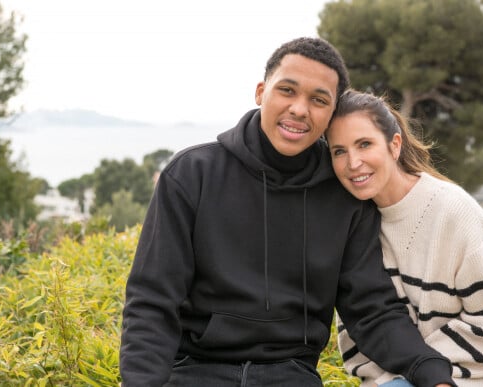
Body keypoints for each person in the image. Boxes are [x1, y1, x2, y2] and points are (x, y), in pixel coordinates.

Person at [120, 37, 455, 387]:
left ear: (330, 114)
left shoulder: (344, 195)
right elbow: (153, 301)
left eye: (318, 100)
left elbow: (371, 309)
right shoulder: (192, 174)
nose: (299, 109)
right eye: (287, 91)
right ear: (261, 91)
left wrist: (430, 372)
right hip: (194, 371)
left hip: (291, 375)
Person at [325, 89, 483, 386]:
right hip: (405, 378)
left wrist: (424, 371)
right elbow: (360, 334)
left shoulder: (454, 212)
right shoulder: (355, 226)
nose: (353, 162)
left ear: (394, 145)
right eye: (339, 151)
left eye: (364, 144)